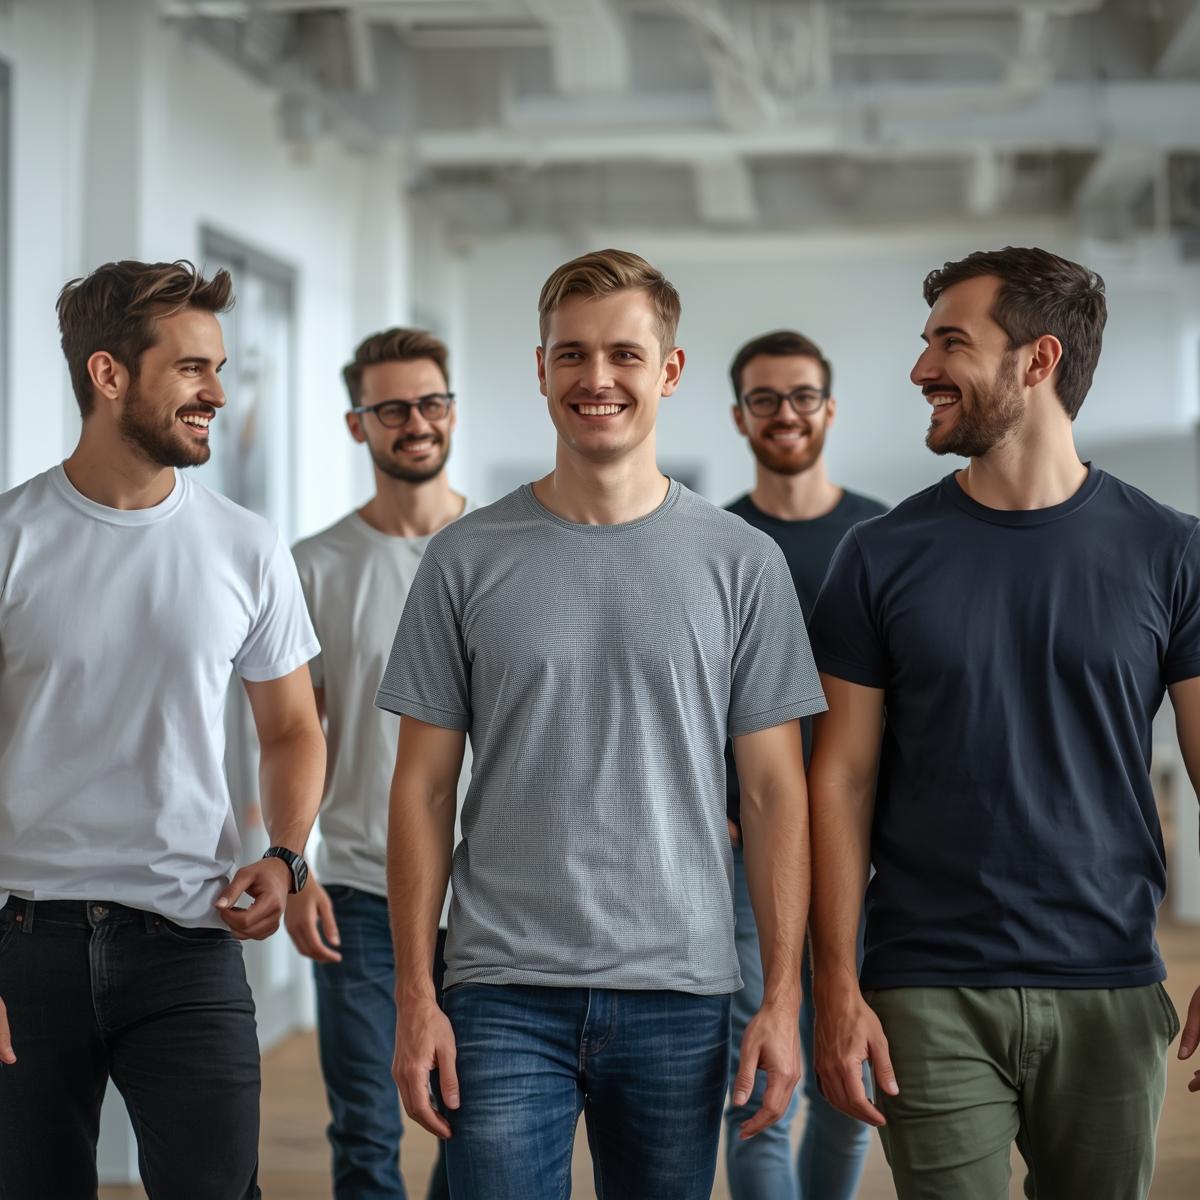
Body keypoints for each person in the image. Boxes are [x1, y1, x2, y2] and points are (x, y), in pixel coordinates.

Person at [377, 249, 825, 1200]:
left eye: (624, 354)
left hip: (681, 989)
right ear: (541, 368)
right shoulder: (462, 560)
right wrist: (416, 994)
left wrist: (781, 998)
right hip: (499, 989)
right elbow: (419, 788)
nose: (597, 379)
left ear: (669, 371)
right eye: (571, 355)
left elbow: (776, 791)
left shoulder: (743, 564)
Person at [807, 245, 1200, 1200]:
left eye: (951, 341)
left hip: (1108, 977)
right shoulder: (878, 556)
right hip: (927, 984)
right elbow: (840, 781)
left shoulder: (1170, 551)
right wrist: (835, 987)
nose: (920, 369)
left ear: (1038, 359)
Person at [0, 259, 325, 1200]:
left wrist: (285, 853)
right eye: (191, 369)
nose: (217, 393)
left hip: (188, 937)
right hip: (22, 942)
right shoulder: (12, 541)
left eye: (218, 368)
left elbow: (295, 727)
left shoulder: (246, 545)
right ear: (109, 377)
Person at [287, 327, 472, 1200]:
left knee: (477, 1126)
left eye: (431, 402)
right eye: (391, 408)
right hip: (362, 885)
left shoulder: (504, 545)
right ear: (358, 425)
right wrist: (294, 864)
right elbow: (298, 734)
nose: (416, 423)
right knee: (364, 1126)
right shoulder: (313, 567)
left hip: (493, 894)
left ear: (452, 410)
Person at [723, 330, 883, 1200]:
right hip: (744, 848)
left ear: (829, 407)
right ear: (740, 414)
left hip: (860, 853)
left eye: (802, 396)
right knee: (757, 1077)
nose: (785, 414)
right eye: (765, 399)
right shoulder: (710, 537)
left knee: (843, 1075)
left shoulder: (887, 534)